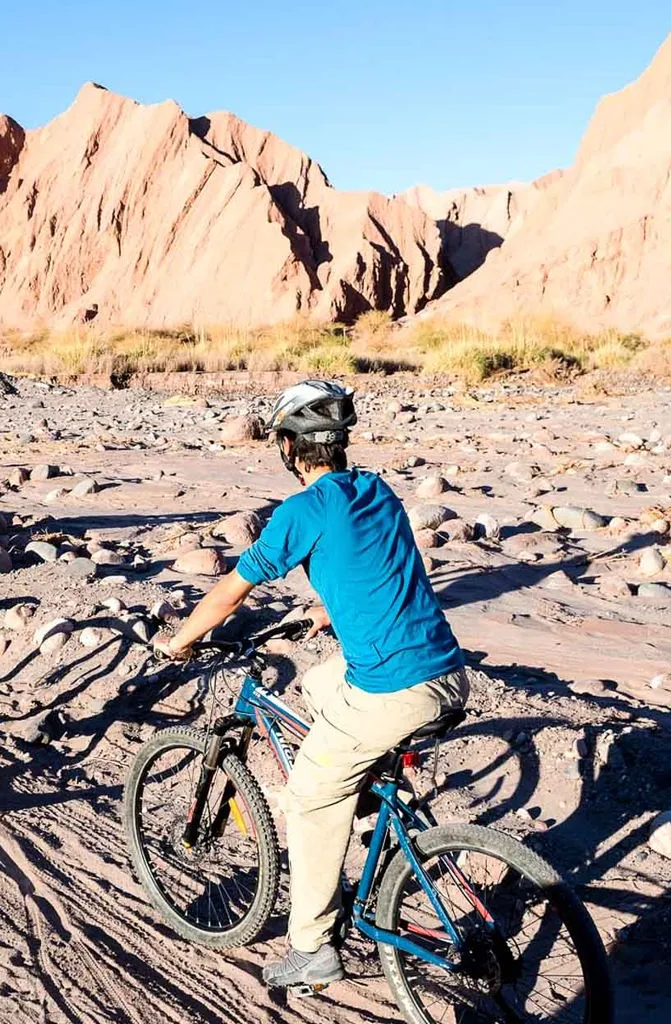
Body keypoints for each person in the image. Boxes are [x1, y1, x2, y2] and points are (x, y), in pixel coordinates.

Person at [155, 379, 470, 990]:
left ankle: (312, 949)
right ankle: (369, 795)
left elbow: (232, 591)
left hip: (394, 690)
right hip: (447, 671)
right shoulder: (376, 489)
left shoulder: (301, 512)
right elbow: (380, 567)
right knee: (320, 682)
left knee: (307, 798)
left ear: (288, 447)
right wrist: (329, 611)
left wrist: (181, 639)